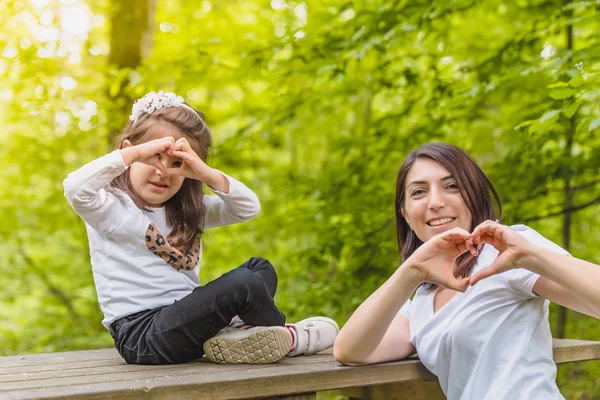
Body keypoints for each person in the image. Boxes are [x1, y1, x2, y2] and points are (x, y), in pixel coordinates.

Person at [64, 91, 338, 365]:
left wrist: (204, 172)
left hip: (186, 319)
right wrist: (133, 154)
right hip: (143, 335)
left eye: (176, 163)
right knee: (245, 284)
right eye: (154, 156)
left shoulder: (188, 211)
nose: (163, 171)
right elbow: (75, 188)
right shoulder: (111, 209)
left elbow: (247, 208)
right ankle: (286, 338)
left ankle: (236, 335)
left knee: (259, 268)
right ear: (129, 150)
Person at [333, 143, 600, 399]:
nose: (435, 202)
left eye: (452, 186)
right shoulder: (420, 303)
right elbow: (350, 350)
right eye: (418, 192)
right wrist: (411, 270)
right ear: (406, 217)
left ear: (474, 196)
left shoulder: (506, 252)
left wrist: (530, 255)